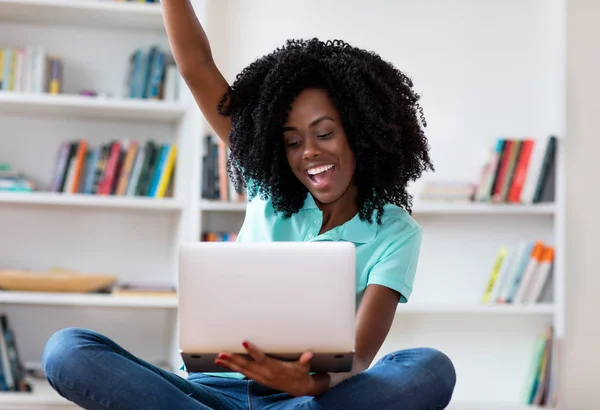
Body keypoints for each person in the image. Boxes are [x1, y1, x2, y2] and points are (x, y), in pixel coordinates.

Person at [41, 1, 456, 409]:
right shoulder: (269, 186)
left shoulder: (395, 232)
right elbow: (196, 67)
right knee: (67, 350)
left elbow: (361, 357)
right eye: (293, 141)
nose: (308, 151)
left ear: (361, 132)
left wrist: (310, 383)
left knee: (430, 368)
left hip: (301, 401)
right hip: (206, 391)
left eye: (324, 133)